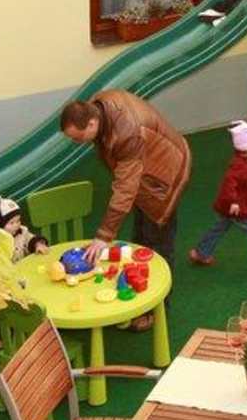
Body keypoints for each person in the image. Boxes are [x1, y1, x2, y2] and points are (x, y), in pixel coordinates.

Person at [59, 91, 191, 331]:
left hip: (165, 178)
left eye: (78, 138)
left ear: (91, 123)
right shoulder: (98, 107)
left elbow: (125, 190)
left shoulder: (126, 134)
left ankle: (157, 310)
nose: (77, 143)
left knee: (158, 244)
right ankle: (137, 295)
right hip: (147, 169)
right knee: (140, 239)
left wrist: (103, 236)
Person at [188, 120, 247, 272]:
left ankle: (201, 253)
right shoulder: (238, 167)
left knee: (219, 227)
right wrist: (233, 201)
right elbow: (228, 185)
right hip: (239, 208)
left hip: (232, 208)